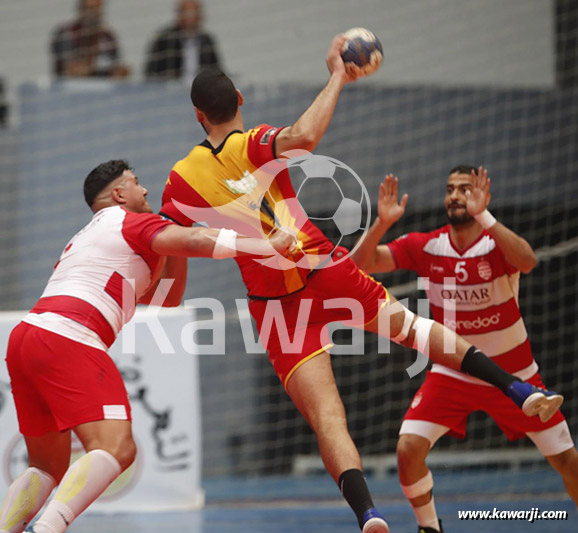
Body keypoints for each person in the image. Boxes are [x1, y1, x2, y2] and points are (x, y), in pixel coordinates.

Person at [159, 36, 563, 533]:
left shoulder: (179, 181)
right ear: (240, 100)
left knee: (330, 418)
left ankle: (368, 514)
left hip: (277, 307)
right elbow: (305, 135)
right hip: (324, 268)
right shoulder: (255, 141)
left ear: (199, 116)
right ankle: (516, 387)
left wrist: (161, 298)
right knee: (414, 329)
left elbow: (170, 244)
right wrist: (337, 76)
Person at [0, 160, 295, 533]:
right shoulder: (131, 222)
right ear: (119, 195)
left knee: (45, 465)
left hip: (27, 337)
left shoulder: (92, 234)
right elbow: (197, 242)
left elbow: (167, 297)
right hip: (70, 335)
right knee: (117, 448)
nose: (146, 191)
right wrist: (268, 245)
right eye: (137, 184)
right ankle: (48, 529)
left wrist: (179, 225)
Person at [351, 168, 578, 532]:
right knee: (408, 449)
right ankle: (430, 528)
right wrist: (381, 222)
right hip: (453, 372)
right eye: (450, 190)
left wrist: (485, 216)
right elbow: (360, 265)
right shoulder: (427, 245)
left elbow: (528, 261)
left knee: (569, 463)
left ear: (481, 196)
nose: (455, 196)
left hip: (515, 375)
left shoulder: (495, 244)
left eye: (465, 190)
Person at [145, 0, 221, 84]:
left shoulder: (206, 40)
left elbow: (217, 70)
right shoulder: (164, 40)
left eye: (194, 13)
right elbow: (150, 74)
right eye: (187, 13)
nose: (190, 18)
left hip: (201, 90)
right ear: (179, 15)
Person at [50, 0, 130, 79]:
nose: (95, 13)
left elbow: (115, 67)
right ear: (81, 10)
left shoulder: (107, 37)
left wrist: (118, 72)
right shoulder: (66, 34)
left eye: (98, 9)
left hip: (101, 90)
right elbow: (71, 70)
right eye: (90, 9)